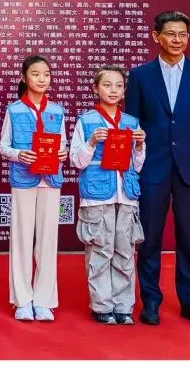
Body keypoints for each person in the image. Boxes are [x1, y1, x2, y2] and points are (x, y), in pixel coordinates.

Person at [125, 10, 190, 328]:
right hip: (151, 167)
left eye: (182, 34)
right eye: (170, 33)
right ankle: (150, 300)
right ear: (156, 36)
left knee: (187, 237)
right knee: (150, 237)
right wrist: (132, 166)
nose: (177, 40)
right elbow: (131, 124)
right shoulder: (140, 76)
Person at [70, 66, 147, 325]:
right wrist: (92, 142)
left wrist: (139, 144)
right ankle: (101, 305)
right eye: (107, 85)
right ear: (95, 88)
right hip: (97, 195)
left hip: (126, 195)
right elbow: (76, 161)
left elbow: (138, 165)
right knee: (100, 250)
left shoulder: (131, 122)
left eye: (118, 86)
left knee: (125, 251)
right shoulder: (86, 121)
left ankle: (124, 306)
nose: (113, 90)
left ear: (124, 91)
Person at [0, 54, 68, 322]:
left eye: (46, 74)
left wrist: (62, 153)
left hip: (51, 179)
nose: (42, 79)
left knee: (49, 240)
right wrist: (19, 154)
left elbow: (63, 144)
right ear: (24, 78)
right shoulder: (14, 110)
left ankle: (44, 300)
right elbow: (3, 146)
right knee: (22, 238)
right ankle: (23, 300)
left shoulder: (57, 111)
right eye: (36, 74)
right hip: (23, 178)